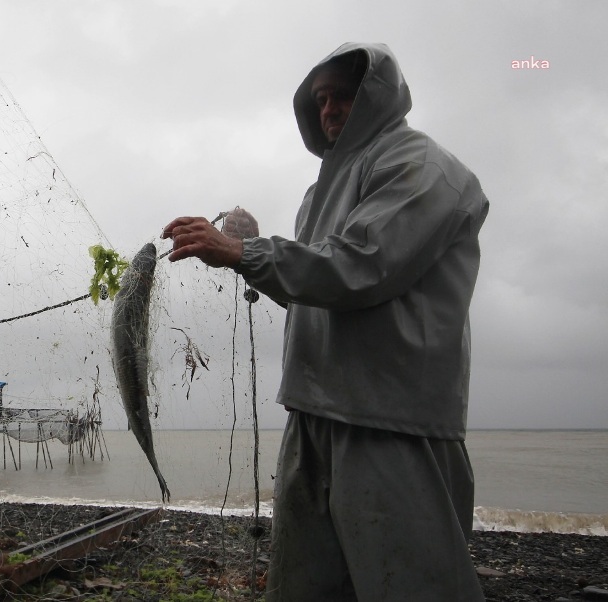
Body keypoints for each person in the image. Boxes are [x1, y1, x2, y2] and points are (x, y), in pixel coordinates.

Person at [162, 42, 489, 601]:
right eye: (320, 99)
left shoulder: (423, 166)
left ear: (377, 94)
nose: (330, 109)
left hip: (390, 422)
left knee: (411, 583)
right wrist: (248, 252)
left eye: (343, 95)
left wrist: (245, 252)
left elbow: (361, 266)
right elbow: (317, 295)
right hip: (312, 415)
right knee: (304, 585)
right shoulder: (319, 192)